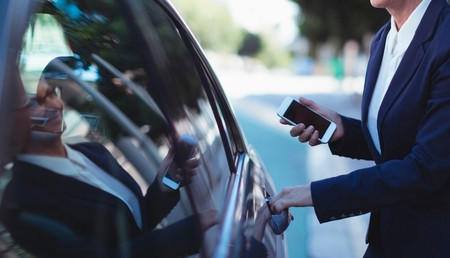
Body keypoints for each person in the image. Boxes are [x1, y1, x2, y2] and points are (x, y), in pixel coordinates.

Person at [269, 0, 450, 257]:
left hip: (433, 241)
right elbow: (400, 141)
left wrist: (316, 193)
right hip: (386, 237)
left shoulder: (445, 38)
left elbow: (427, 167)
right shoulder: (383, 39)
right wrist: (343, 128)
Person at [0, 72, 218, 257]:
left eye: (50, 94)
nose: (51, 105)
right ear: (9, 124)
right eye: (33, 103)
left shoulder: (92, 150)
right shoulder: (22, 203)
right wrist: (190, 232)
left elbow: (136, 225)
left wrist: (167, 181)